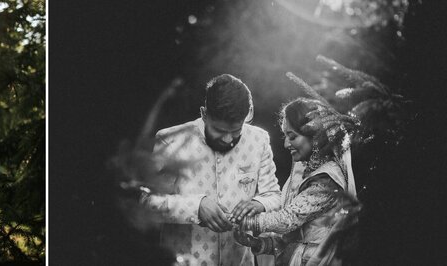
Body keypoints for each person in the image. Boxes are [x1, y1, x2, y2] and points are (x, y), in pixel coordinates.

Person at [141, 74, 282, 265]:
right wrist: (196, 206)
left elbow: (273, 195)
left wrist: (259, 204)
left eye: (235, 131)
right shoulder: (172, 140)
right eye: (219, 130)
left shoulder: (259, 140)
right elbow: (146, 202)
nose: (227, 139)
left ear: (248, 114)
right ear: (204, 114)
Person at [232, 98, 359, 266]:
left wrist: (239, 219)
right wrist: (257, 244)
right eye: (285, 136)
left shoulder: (328, 178)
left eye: (292, 136)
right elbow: (295, 240)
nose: (286, 144)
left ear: (314, 136)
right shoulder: (307, 174)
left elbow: (287, 220)